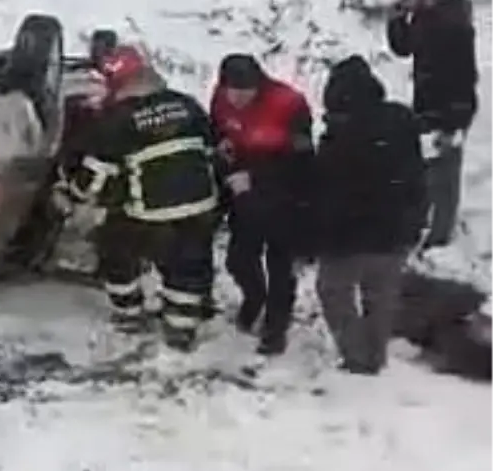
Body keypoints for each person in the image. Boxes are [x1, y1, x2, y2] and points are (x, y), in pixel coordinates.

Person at [53, 45, 221, 349]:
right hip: (199, 206)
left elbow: (95, 175)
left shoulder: (118, 119)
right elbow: (212, 151)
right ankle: (181, 329)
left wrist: (72, 193)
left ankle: (129, 315)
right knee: (185, 269)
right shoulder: (187, 105)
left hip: (149, 213)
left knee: (116, 253)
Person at [313, 55, 428, 375]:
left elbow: (327, 191)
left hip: (347, 237)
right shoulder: (402, 120)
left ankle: (355, 356)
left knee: (333, 292)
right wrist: (417, 220)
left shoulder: (338, 137)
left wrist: (317, 235)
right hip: (396, 231)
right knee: (381, 296)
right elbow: (418, 174)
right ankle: (375, 356)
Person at [210, 53, 315, 355]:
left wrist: (256, 177)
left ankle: (276, 328)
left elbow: (303, 160)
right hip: (244, 196)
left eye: (246, 92)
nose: (238, 99)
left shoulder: (289, 104)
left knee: (280, 266)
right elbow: (217, 131)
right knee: (239, 259)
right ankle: (254, 298)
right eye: (233, 92)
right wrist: (222, 152)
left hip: (285, 195)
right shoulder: (220, 99)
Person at [386, 0, 478, 248]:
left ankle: (441, 236)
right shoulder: (430, 19)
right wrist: (397, 20)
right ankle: (433, 229)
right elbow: (404, 48)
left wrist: (454, 119)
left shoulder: (448, 23)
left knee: (445, 175)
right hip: (431, 108)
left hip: (448, 109)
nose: (404, 0)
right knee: (430, 171)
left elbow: (462, 74)